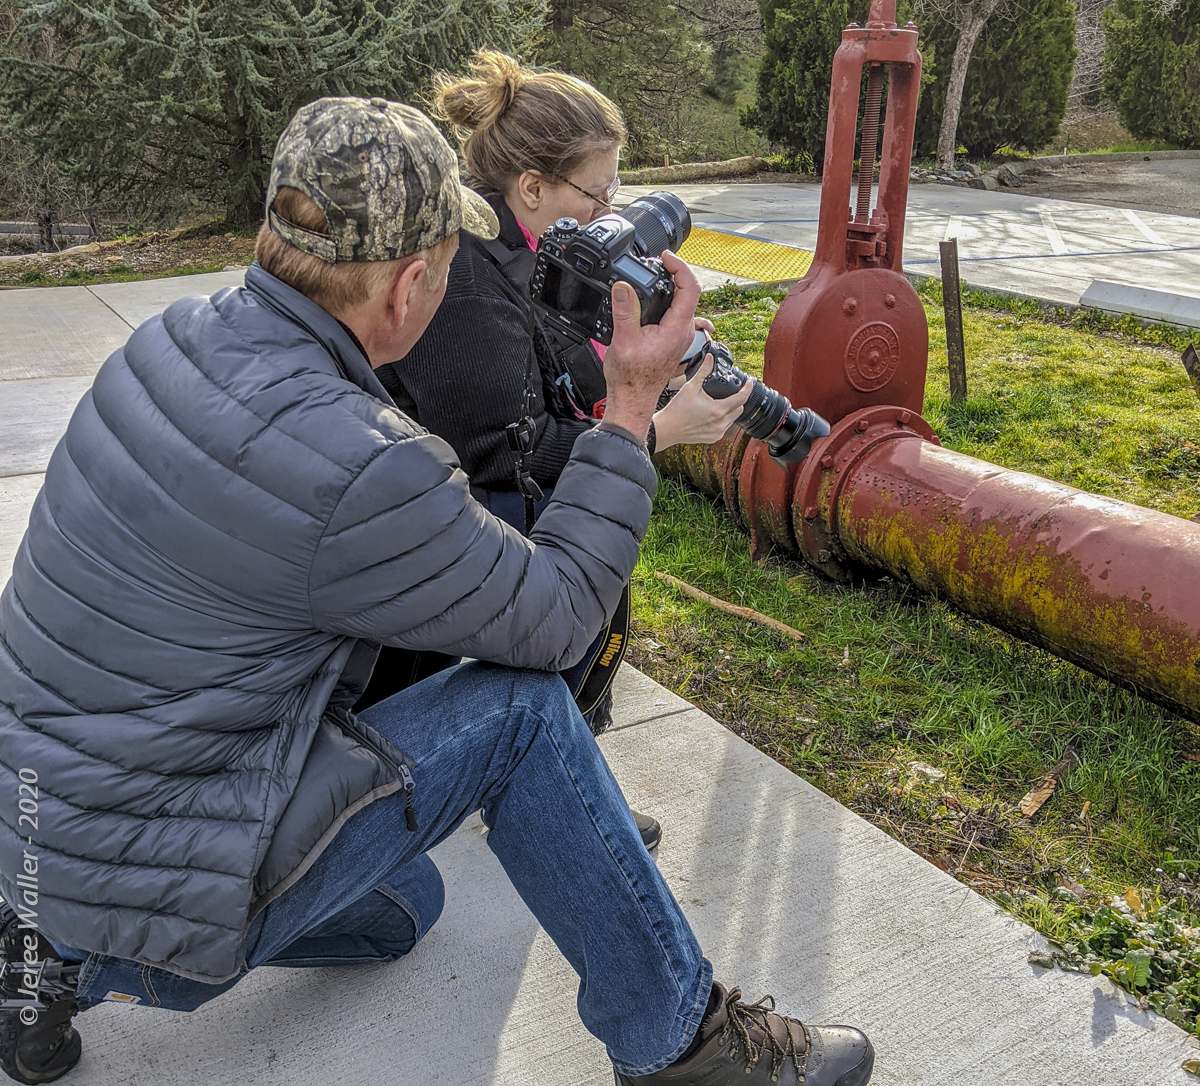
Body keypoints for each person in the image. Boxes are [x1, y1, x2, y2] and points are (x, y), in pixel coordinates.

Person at [0, 96, 874, 1086]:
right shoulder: (357, 462)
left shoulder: (168, 342)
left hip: (33, 814)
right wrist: (633, 417)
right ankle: (688, 1047)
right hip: (155, 872)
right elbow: (553, 622)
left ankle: (38, 953)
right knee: (520, 713)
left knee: (406, 910)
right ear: (412, 281)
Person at [372, 52, 750, 754]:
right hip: (425, 526)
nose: (611, 217)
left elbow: (557, 367)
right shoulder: (467, 281)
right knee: (566, 559)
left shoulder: (524, 245)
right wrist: (656, 427)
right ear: (532, 184)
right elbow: (505, 455)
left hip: (423, 515)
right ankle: (540, 759)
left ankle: (549, 744)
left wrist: (650, 361)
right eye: (597, 197)